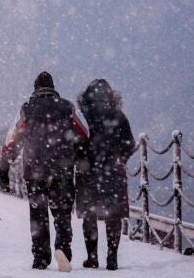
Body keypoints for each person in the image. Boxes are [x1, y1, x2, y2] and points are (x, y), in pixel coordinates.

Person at [0, 71, 88, 271]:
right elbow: (84, 133)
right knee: (62, 212)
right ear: (53, 87)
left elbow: (13, 140)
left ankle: (40, 256)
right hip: (62, 171)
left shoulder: (27, 109)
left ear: (35, 89)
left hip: (35, 171)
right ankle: (63, 248)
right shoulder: (67, 107)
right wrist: (78, 154)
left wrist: (3, 170)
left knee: (38, 214)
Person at [75, 79, 135, 270]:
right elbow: (129, 144)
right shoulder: (119, 116)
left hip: (88, 172)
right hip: (113, 172)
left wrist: (81, 159)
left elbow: (75, 142)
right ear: (111, 95)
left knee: (89, 215)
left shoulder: (83, 116)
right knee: (113, 215)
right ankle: (112, 257)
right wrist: (119, 159)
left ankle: (92, 257)